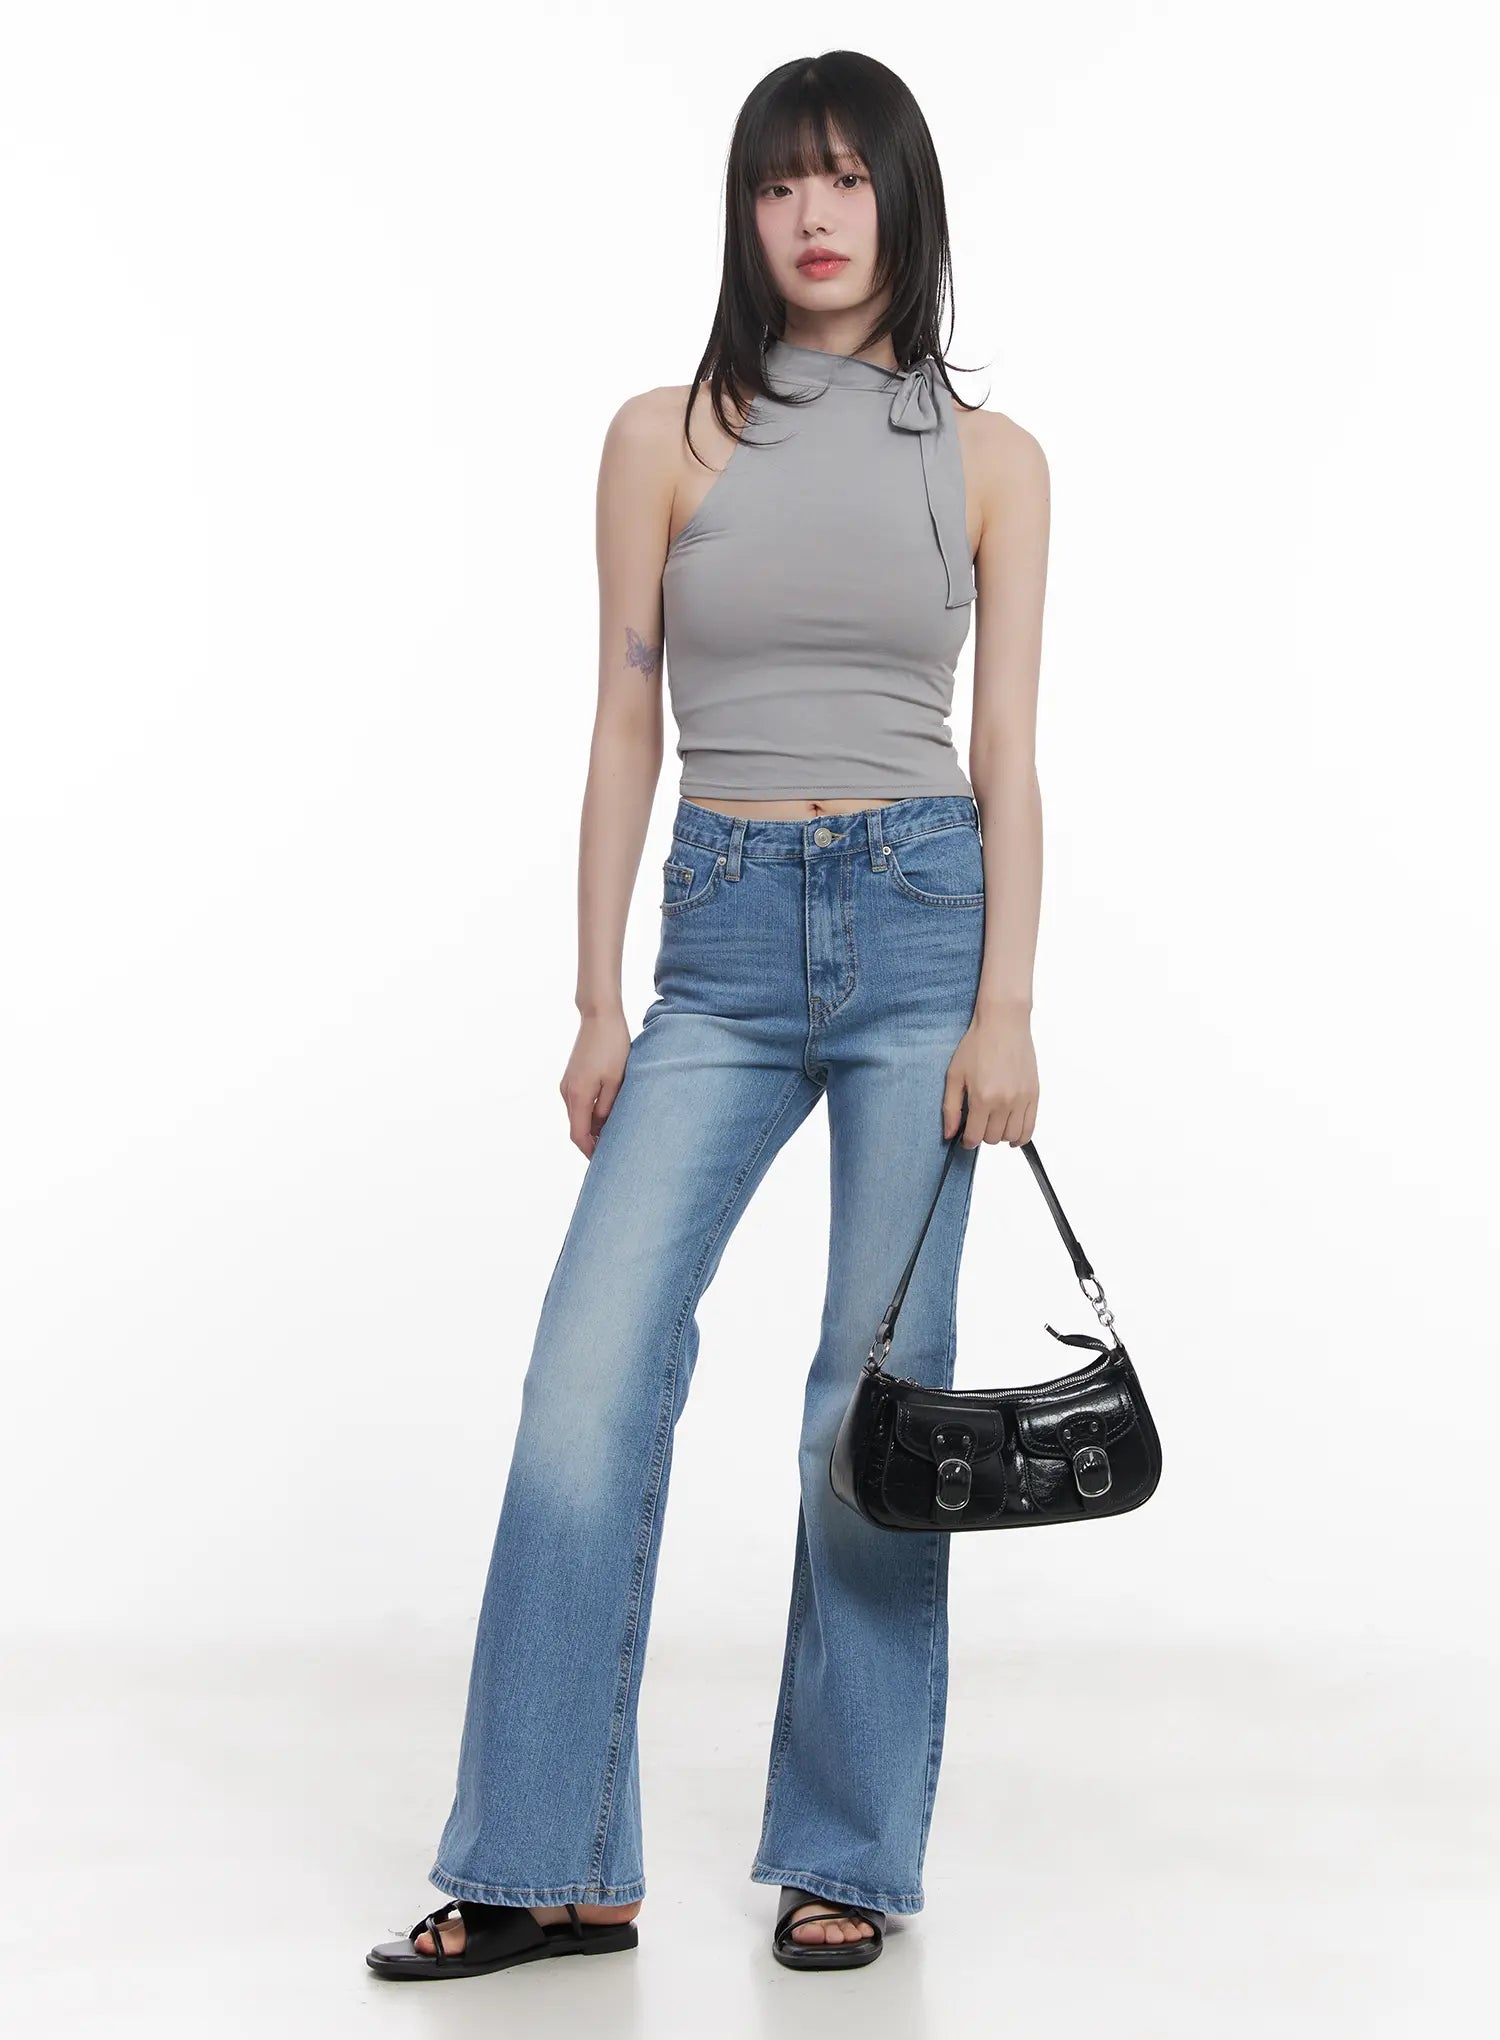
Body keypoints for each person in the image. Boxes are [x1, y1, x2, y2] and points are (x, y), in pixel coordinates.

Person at [366, 46, 1047, 1983]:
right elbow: (621, 723)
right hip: (723, 948)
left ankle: (846, 1854)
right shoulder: (664, 435)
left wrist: (1006, 1006)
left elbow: (1006, 751)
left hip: (923, 931)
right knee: (588, 1377)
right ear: (744, 213)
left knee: (873, 1401)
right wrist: (596, 997)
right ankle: (550, 1861)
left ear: (904, 203)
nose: (813, 216)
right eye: (777, 182)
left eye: (847, 179)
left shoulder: (993, 462)